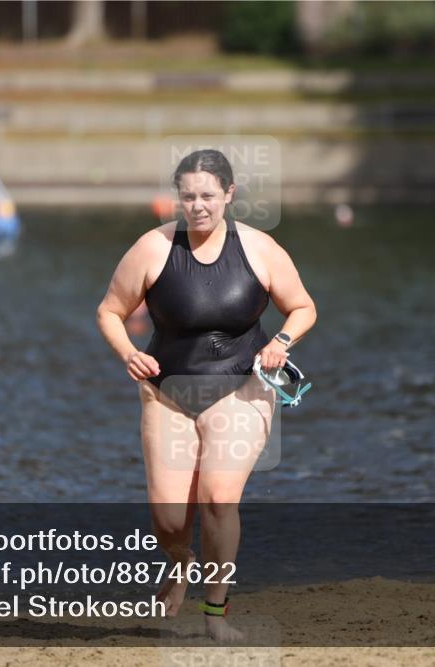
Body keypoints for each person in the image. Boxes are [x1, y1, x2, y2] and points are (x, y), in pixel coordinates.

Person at [96, 149, 317, 641]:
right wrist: (127, 352)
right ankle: (180, 564)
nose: (197, 206)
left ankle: (216, 615)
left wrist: (281, 342)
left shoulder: (260, 249)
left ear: (229, 195)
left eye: (208, 196)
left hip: (241, 387)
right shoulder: (153, 248)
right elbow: (109, 311)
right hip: (167, 392)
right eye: (188, 196)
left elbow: (303, 307)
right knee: (170, 518)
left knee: (218, 497)